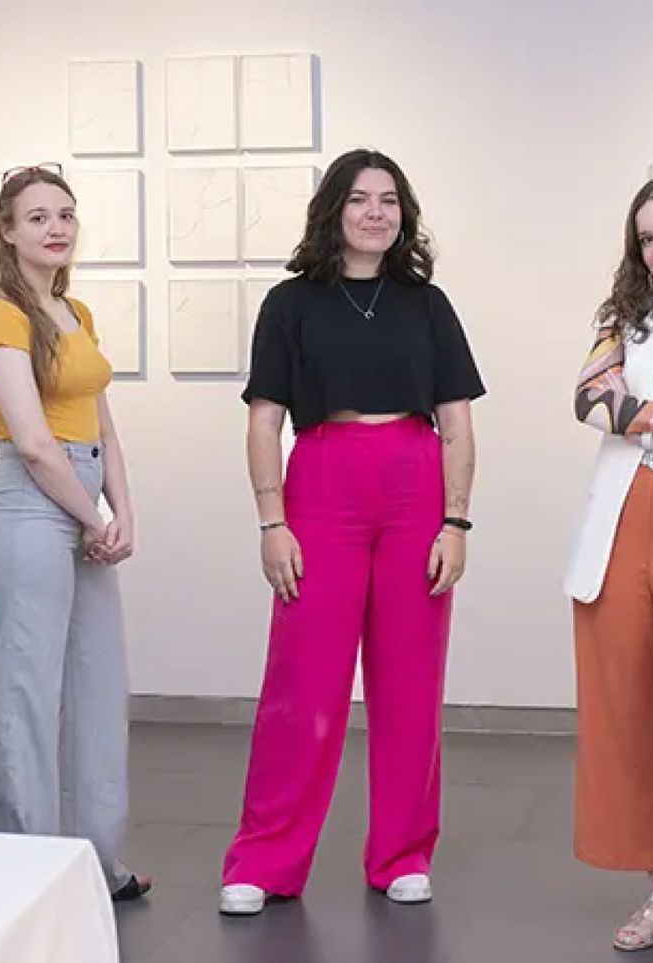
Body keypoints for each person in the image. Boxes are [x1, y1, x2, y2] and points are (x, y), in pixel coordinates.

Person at [219, 148, 485, 915]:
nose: (376, 212)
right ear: (333, 210)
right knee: (303, 680)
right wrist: (271, 520)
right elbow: (264, 421)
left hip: (414, 484)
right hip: (322, 482)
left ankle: (402, 852)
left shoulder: (427, 305)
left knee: (410, 680)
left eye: (389, 200)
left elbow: (457, 425)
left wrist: (455, 521)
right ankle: (264, 859)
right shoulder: (290, 303)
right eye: (361, 199)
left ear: (404, 214)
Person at [0, 163, 149, 900]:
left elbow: (102, 425)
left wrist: (122, 509)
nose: (56, 227)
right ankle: (22, 870)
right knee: (24, 700)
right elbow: (37, 443)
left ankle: (96, 863)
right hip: (27, 508)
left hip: (82, 501)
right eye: (38, 216)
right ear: (8, 231)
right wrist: (93, 517)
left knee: (101, 689)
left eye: (66, 214)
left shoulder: (76, 313)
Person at [567, 173, 653, 963]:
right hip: (623, 524)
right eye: (647, 237)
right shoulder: (625, 317)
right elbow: (590, 398)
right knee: (633, 712)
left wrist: (644, 412)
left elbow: (620, 408)